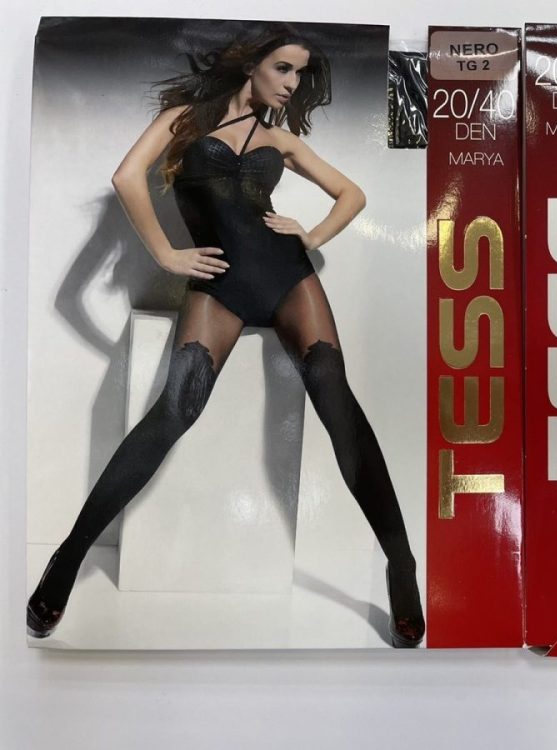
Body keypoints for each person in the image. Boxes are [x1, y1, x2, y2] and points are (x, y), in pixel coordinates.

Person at [26, 23, 425, 648]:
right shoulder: (184, 121)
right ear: (251, 64)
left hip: (287, 278)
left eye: (300, 73)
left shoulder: (281, 140)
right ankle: (68, 556)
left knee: (335, 399)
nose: (292, 84)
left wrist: (312, 235)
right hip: (221, 285)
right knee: (175, 410)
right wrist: (165, 253)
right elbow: (127, 177)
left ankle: (401, 564)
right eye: (284, 68)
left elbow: (353, 194)